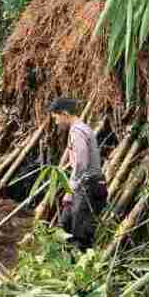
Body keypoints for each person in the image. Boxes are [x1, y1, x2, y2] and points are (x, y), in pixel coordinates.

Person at [51, 98, 106, 250]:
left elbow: (81, 162)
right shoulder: (84, 129)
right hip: (88, 185)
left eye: (56, 118)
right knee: (64, 225)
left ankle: (81, 268)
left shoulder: (77, 131)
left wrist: (70, 190)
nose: (56, 123)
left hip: (87, 186)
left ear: (64, 114)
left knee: (80, 236)